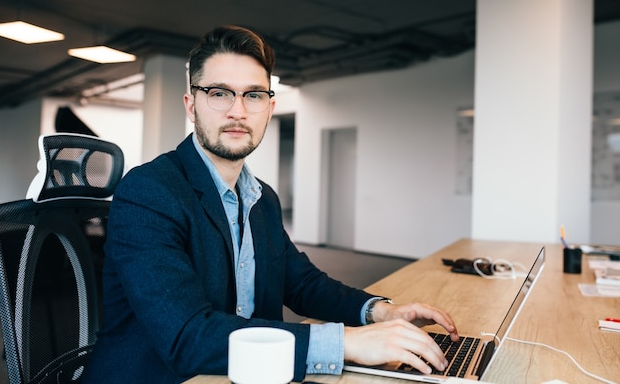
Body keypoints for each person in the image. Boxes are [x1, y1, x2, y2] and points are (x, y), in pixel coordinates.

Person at [81, 25, 458, 383]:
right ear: (191, 105)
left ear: (269, 107)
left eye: (253, 95)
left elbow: (303, 284)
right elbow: (187, 337)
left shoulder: (262, 198)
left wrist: (379, 311)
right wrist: (348, 343)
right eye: (219, 93)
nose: (238, 111)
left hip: (245, 373)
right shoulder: (150, 191)